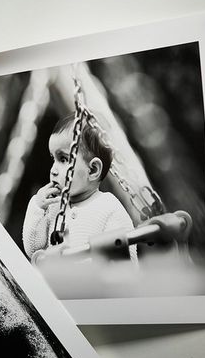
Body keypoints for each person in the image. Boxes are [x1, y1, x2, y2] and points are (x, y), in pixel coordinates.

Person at [22, 113, 137, 264]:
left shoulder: (110, 209)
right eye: (53, 159)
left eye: (63, 159)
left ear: (93, 170)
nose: (53, 170)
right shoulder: (54, 204)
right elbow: (32, 249)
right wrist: (37, 206)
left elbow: (126, 266)